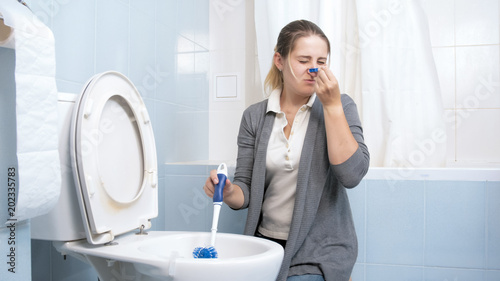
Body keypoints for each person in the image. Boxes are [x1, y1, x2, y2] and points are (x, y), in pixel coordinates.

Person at [203, 19, 369, 281]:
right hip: (266, 246)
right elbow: (245, 191)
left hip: (321, 251)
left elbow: (351, 176)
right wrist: (229, 191)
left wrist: (333, 108)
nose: (314, 69)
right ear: (279, 61)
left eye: (321, 61)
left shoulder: (341, 106)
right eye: (304, 60)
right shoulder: (254, 117)